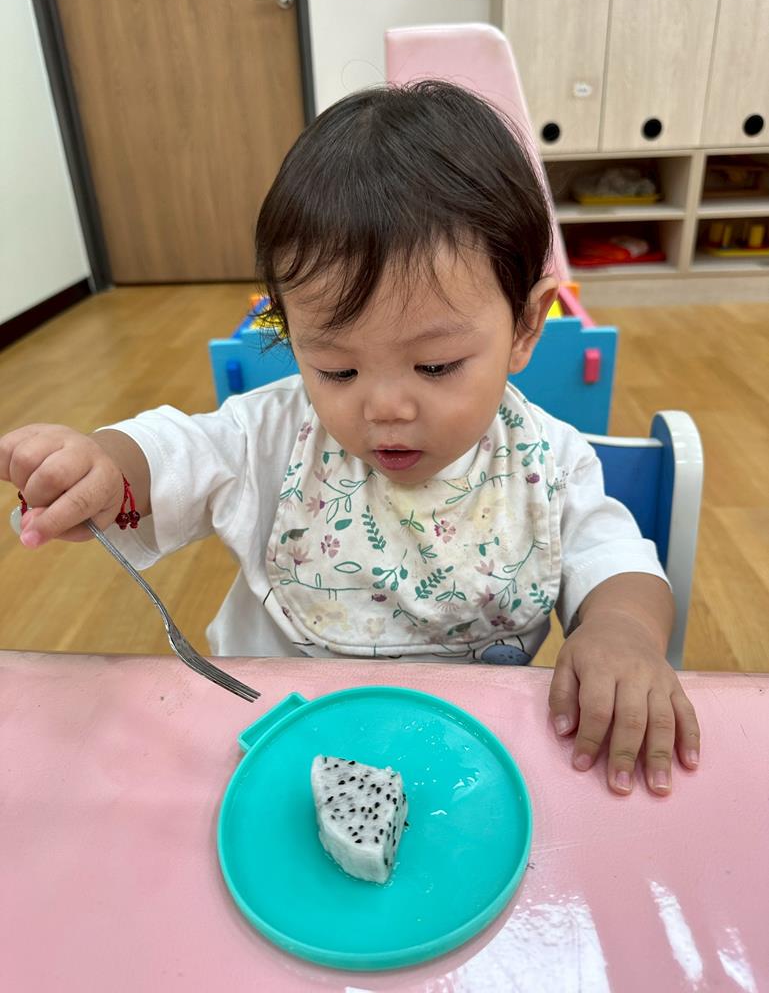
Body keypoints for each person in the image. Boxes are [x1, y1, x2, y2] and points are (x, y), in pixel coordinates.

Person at [0, 81, 700, 797]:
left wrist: (621, 629)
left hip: (459, 752)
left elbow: (616, 561)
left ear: (526, 325)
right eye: (337, 369)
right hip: (274, 730)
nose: (385, 407)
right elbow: (177, 451)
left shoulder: (548, 461)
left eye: (435, 365)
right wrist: (103, 466)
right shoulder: (272, 435)